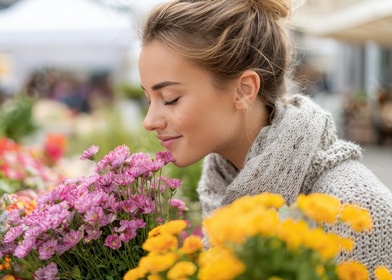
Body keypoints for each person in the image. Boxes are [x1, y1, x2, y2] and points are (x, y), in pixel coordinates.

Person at [139, 0, 392, 272]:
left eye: (170, 98)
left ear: (244, 90)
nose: (149, 122)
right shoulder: (221, 187)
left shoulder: (356, 209)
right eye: (148, 99)